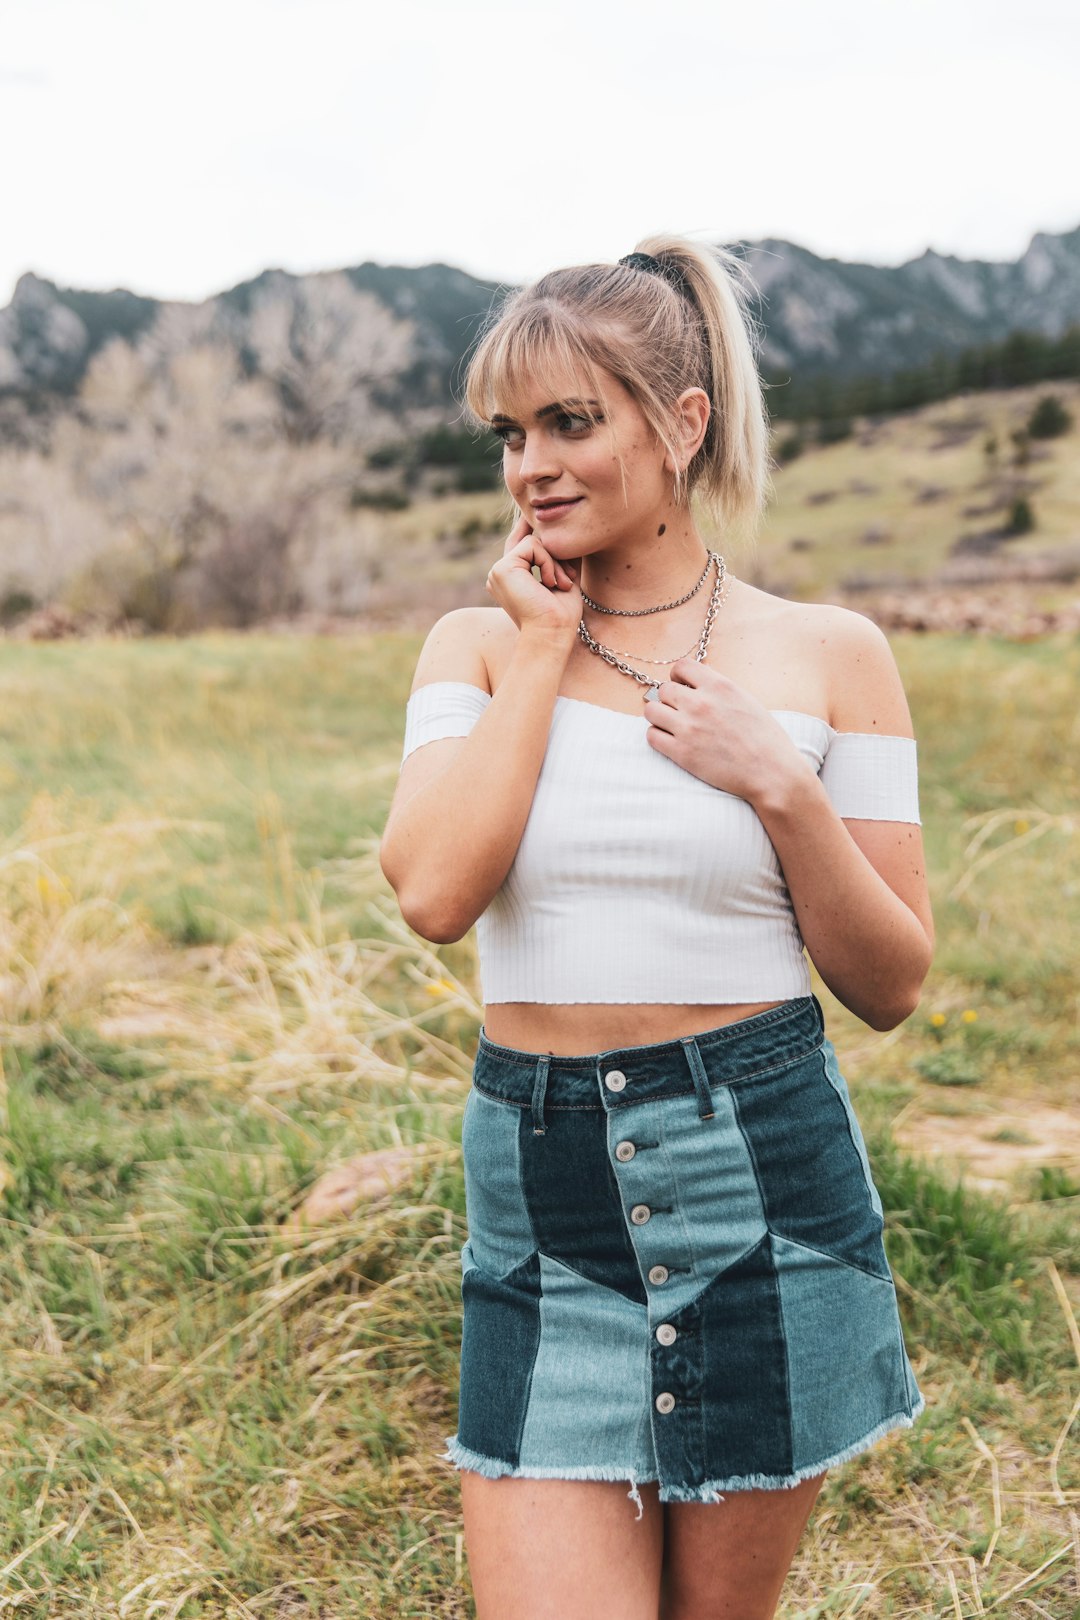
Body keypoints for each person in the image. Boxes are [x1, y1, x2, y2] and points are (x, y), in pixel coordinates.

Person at [378, 234, 934, 1620]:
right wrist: (548, 655)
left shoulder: (828, 656)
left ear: (681, 426)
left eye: (573, 421)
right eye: (512, 433)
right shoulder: (477, 647)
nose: (532, 465)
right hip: (543, 1189)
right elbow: (436, 894)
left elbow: (893, 981)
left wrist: (778, 786)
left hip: (761, 1168)